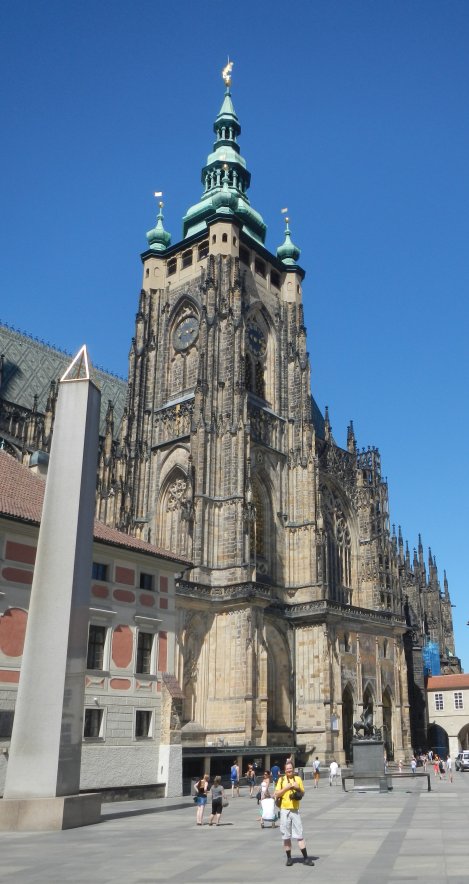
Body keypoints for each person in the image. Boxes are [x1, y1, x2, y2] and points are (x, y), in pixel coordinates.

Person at [274, 759, 314, 867]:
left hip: (295, 810)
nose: (289, 771)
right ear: (285, 770)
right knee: (286, 836)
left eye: (290, 769)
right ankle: (289, 858)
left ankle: (306, 858)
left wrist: (297, 787)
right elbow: (276, 794)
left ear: (293, 769)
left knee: (299, 835)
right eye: (287, 769)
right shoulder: (281, 780)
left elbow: (303, 793)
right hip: (284, 810)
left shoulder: (298, 779)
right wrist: (286, 788)